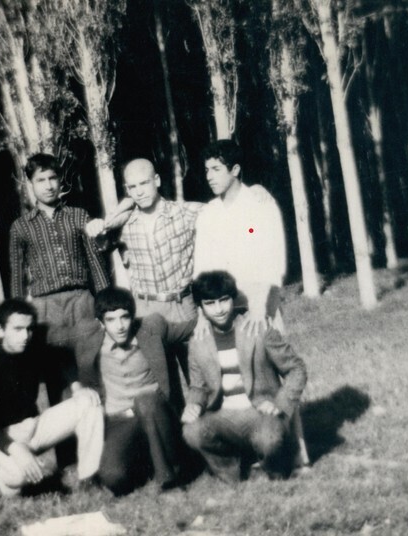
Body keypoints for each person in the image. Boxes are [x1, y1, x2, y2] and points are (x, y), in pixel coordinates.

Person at [48, 287, 199, 495]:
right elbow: (49, 341)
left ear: (132, 317)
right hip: (118, 421)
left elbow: (190, 328)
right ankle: (146, 460)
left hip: (157, 414)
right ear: (101, 322)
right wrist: (75, 385)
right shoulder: (87, 334)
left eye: (124, 318)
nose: (119, 326)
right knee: (113, 477)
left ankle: (168, 480)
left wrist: (207, 319)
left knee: (145, 401)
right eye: (111, 320)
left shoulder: (152, 327)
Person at [86, 158, 203, 406]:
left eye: (144, 183)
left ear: (157, 180)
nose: (139, 191)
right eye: (132, 187)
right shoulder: (124, 224)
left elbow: (234, 221)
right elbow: (100, 244)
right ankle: (175, 431)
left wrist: (254, 195)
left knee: (200, 377)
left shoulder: (186, 212)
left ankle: (207, 428)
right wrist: (99, 225)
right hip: (145, 309)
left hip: (182, 305)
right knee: (163, 385)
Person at [0, 299, 104, 497]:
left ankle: (88, 479)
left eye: (29, 329)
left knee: (88, 403)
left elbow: (63, 357)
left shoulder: (32, 347)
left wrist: (77, 388)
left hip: (31, 428)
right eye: (17, 329)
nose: (25, 336)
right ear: (0, 330)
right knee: (19, 475)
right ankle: (1, 478)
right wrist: (16, 449)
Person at [181, 271, 306, 483]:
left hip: (261, 411)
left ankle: (275, 470)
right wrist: (193, 404)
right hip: (222, 414)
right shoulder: (198, 341)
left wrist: (281, 403)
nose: (219, 309)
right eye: (210, 303)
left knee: (268, 439)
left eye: (224, 300)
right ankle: (232, 474)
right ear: (201, 308)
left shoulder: (259, 329)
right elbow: (198, 387)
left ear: (233, 299)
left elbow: (297, 369)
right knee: (191, 431)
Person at [193, 140, 287, 334]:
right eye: (207, 170)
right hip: (221, 308)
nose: (209, 176)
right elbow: (201, 267)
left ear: (235, 170)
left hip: (260, 303)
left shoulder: (261, 205)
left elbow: (272, 260)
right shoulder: (208, 213)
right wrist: (202, 315)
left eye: (216, 169)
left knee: (266, 350)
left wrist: (259, 307)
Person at [9, 153, 110, 327]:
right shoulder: (20, 226)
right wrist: (17, 317)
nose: (48, 186)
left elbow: (96, 265)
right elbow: (17, 277)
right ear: (30, 183)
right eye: (41, 180)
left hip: (82, 301)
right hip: (45, 308)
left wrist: (107, 307)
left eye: (52, 178)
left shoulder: (78, 215)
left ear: (60, 179)